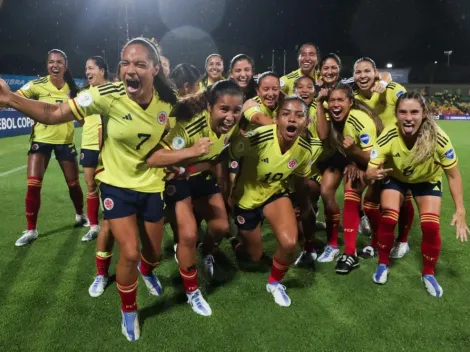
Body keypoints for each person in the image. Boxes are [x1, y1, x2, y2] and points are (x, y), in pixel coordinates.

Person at [0, 37, 177, 342]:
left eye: (139, 64)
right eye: (125, 63)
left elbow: (172, 136)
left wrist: (174, 159)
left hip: (151, 185)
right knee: (130, 253)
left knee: (151, 255)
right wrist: (11, 100)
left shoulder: (168, 103)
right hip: (115, 184)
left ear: (155, 69)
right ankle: (129, 312)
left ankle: (148, 273)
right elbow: (53, 114)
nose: (129, 70)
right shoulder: (104, 94)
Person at [147, 79, 244, 316]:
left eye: (235, 110)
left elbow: (218, 153)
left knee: (220, 226)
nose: (230, 116)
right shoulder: (188, 128)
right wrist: (191, 157)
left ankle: (207, 253)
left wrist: (208, 169)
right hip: (177, 181)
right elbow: (157, 159)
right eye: (224, 109)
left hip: (199, 176)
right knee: (188, 235)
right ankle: (192, 292)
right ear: (209, 107)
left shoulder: (232, 124)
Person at [366, 92, 468, 297]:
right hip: (396, 179)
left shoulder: (438, 138)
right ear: (396, 115)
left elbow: (454, 176)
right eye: (403, 112)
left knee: (430, 226)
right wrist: (371, 173)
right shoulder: (389, 135)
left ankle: (428, 273)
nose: (408, 117)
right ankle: (383, 263)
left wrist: (460, 209)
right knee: (389, 218)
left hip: (426, 181)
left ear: (424, 114)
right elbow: (370, 169)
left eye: (414, 112)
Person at [229, 96, 322, 307]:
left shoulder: (304, 149)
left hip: (274, 194)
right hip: (245, 200)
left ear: (306, 122)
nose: (292, 119)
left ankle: (274, 283)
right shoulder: (257, 138)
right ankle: (239, 243)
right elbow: (230, 155)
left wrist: (304, 205)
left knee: (289, 243)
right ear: (277, 118)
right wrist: (228, 189)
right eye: (286, 114)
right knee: (254, 255)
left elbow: (300, 179)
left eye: (299, 116)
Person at [14, 49, 87, 247]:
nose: (55, 65)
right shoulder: (37, 85)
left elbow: (82, 117)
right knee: (33, 184)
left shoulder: (74, 88)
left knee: (73, 184)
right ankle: (31, 229)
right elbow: (16, 99)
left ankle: (80, 215)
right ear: (47, 65)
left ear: (66, 65)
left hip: (65, 141)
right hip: (42, 139)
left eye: (59, 62)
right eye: (51, 62)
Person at [315, 83, 383, 273]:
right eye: (332, 100)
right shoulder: (334, 117)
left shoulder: (360, 120)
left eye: (340, 100)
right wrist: (351, 160)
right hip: (355, 158)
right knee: (349, 194)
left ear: (350, 102)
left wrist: (353, 153)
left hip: (378, 162)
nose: (335, 104)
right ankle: (350, 253)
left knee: (370, 204)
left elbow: (373, 158)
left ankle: (377, 242)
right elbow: (323, 134)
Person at [352, 57, 413, 258]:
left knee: (404, 200)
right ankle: (377, 240)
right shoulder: (354, 98)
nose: (362, 76)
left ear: (375, 72)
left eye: (367, 71)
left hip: (400, 155)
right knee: (370, 203)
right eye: (358, 72)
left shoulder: (393, 88)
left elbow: (411, 112)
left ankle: (402, 241)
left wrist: (386, 82)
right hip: (375, 156)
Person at [80, 56, 108, 242]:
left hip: (109, 146)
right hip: (88, 145)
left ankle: (113, 223)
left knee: (110, 188)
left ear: (102, 70)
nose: (88, 72)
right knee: (91, 186)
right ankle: (93, 226)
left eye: (91, 68)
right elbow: (80, 118)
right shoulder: (84, 95)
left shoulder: (113, 91)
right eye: (86, 68)